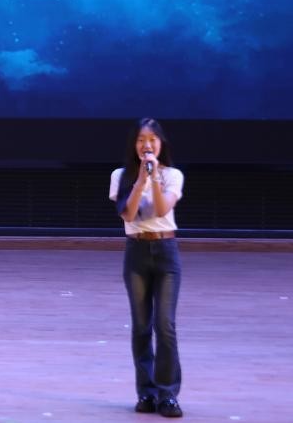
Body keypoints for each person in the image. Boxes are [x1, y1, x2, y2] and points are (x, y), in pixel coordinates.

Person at [110, 118, 184, 418]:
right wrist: (140, 179)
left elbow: (163, 209)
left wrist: (153, 178)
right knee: (141, 327)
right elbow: (128, 214)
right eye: (141, 139)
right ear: (134, 144)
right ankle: (146, 393)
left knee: (165, 325)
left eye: (152, 139)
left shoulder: (173, 175)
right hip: (136, 252)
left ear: (161, 143)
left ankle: (168, 395)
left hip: (166, 252)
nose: (147, 145)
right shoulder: (121, 176)